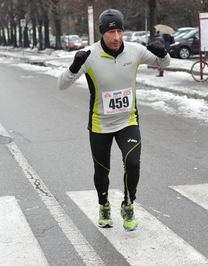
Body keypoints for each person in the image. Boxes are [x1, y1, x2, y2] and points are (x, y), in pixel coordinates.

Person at [57, 9, 170, 231]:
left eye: (120, 31)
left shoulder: (135, 51)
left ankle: (128, 205)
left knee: (133, 164)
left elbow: (164, 64)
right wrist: (73, 66)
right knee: (102, 172)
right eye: (111, 32)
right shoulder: (90, 55)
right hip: (100, 124)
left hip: (128, 121)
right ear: (102, 33)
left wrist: (163, 53)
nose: (116, 37)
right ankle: (103, 205)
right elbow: (61, 84)